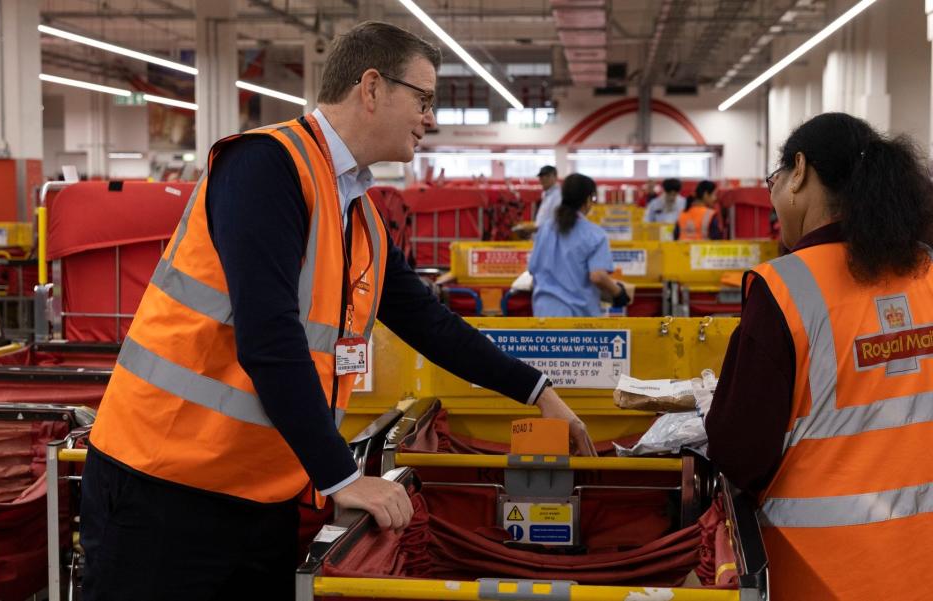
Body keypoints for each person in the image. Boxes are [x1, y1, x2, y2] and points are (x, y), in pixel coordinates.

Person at [79, 21, 596, 600]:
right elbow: (269, 339)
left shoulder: (361, 216)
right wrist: (344, 477)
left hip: (263, 493)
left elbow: (433, 326)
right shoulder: (265, 167)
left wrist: (538, 391)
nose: (432, 118)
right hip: (164, 489)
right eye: (424, 99)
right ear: (371, 88)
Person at [705, 112, 933, 600]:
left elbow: (738, 453)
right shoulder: (927, 272)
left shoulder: (787, 288)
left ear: (800, 171)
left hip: (822, 572)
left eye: (774, 179)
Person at [528, 173, 631, 317]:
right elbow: (598, 276)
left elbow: (534, 271)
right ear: (588, 200)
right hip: (577, 321)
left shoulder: (545, 229)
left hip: (543, 315)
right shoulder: (594, 234)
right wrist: (618, 292)